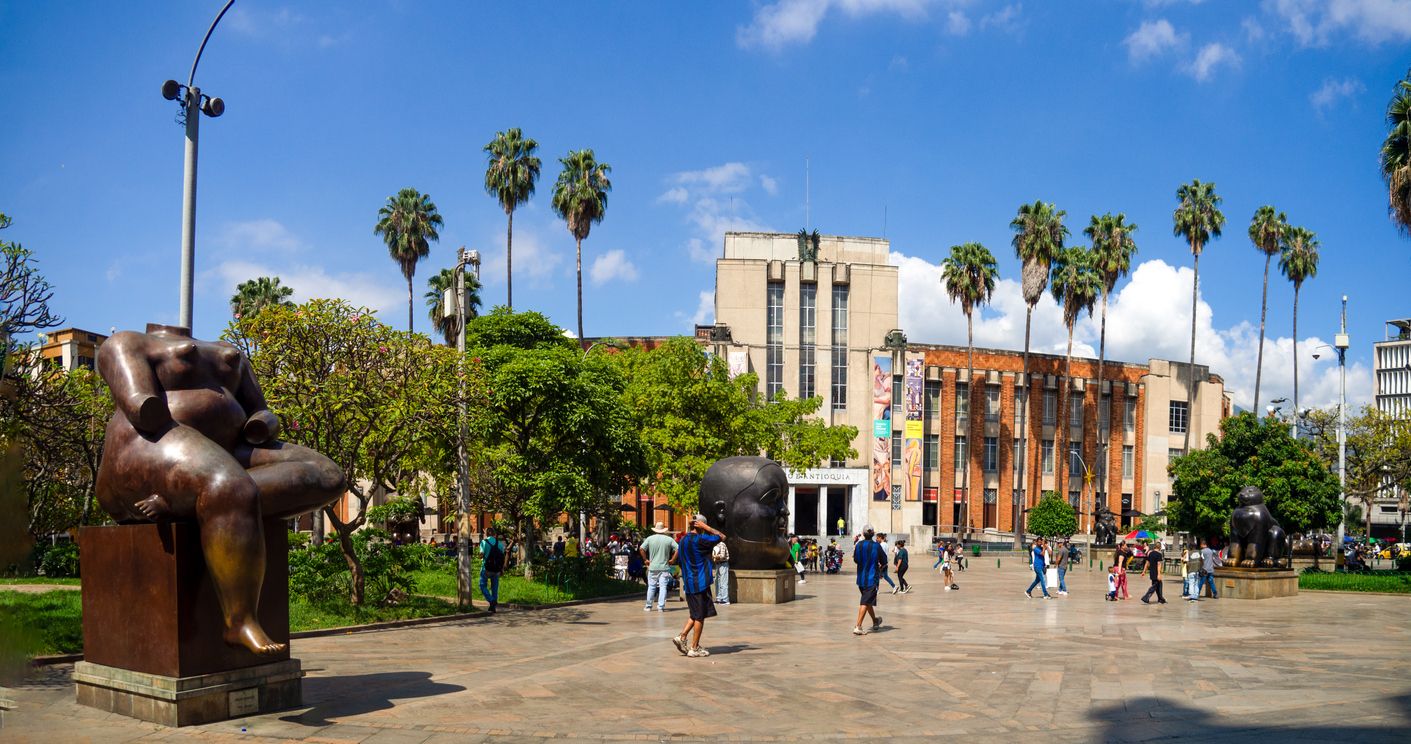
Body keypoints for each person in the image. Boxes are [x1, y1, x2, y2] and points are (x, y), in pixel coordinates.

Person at [671, 514, 726, 658]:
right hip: (700, 582)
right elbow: (722, 536)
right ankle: (694, 648)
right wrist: (706, 527)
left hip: (689, 582)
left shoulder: (683, 540)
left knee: (695, 613)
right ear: (700, 526)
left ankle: (682, 637)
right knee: (700, 616)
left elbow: (680, 560)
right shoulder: (701, 539)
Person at [852, 524, 886, 635]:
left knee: (867, 600)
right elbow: (884, 560)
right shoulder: (876, 546)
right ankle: (858, 626)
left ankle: (875, 621)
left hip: (861, 578)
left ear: (863, 534)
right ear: (873, 534)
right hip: (872, 578)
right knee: (865, 601)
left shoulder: (859, 545)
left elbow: (856, 559)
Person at [640, 522, 678, 612]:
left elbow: (641, 549)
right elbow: (678, 548)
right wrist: (673, 560)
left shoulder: (650, 539)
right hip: (664, 567)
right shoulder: (669, 539)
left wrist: (645, 559)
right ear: (663, 530)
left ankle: (648, 606)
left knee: (651, 586)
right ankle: (661, 607)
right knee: (663, 587)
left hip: (653, 567)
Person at [479, 526, 506, 613]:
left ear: (486, 534)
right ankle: (493, 605)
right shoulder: (500, 544)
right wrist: (502, 569)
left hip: (486, 568)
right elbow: (502, 558)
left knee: (482, 585)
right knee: (494, 588)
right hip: (497, 569)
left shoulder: (484, 542)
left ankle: (491, 600)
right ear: (494, 533)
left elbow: (481, 554)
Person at [712, 535, 731, 604]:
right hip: (718, 564)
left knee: (723, 582)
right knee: (717, 581)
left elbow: (722, 556)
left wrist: (715, 556)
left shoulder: (722, 544)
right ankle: (719, 598)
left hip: (723, 564)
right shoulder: (716, 545)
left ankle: (725, 599)